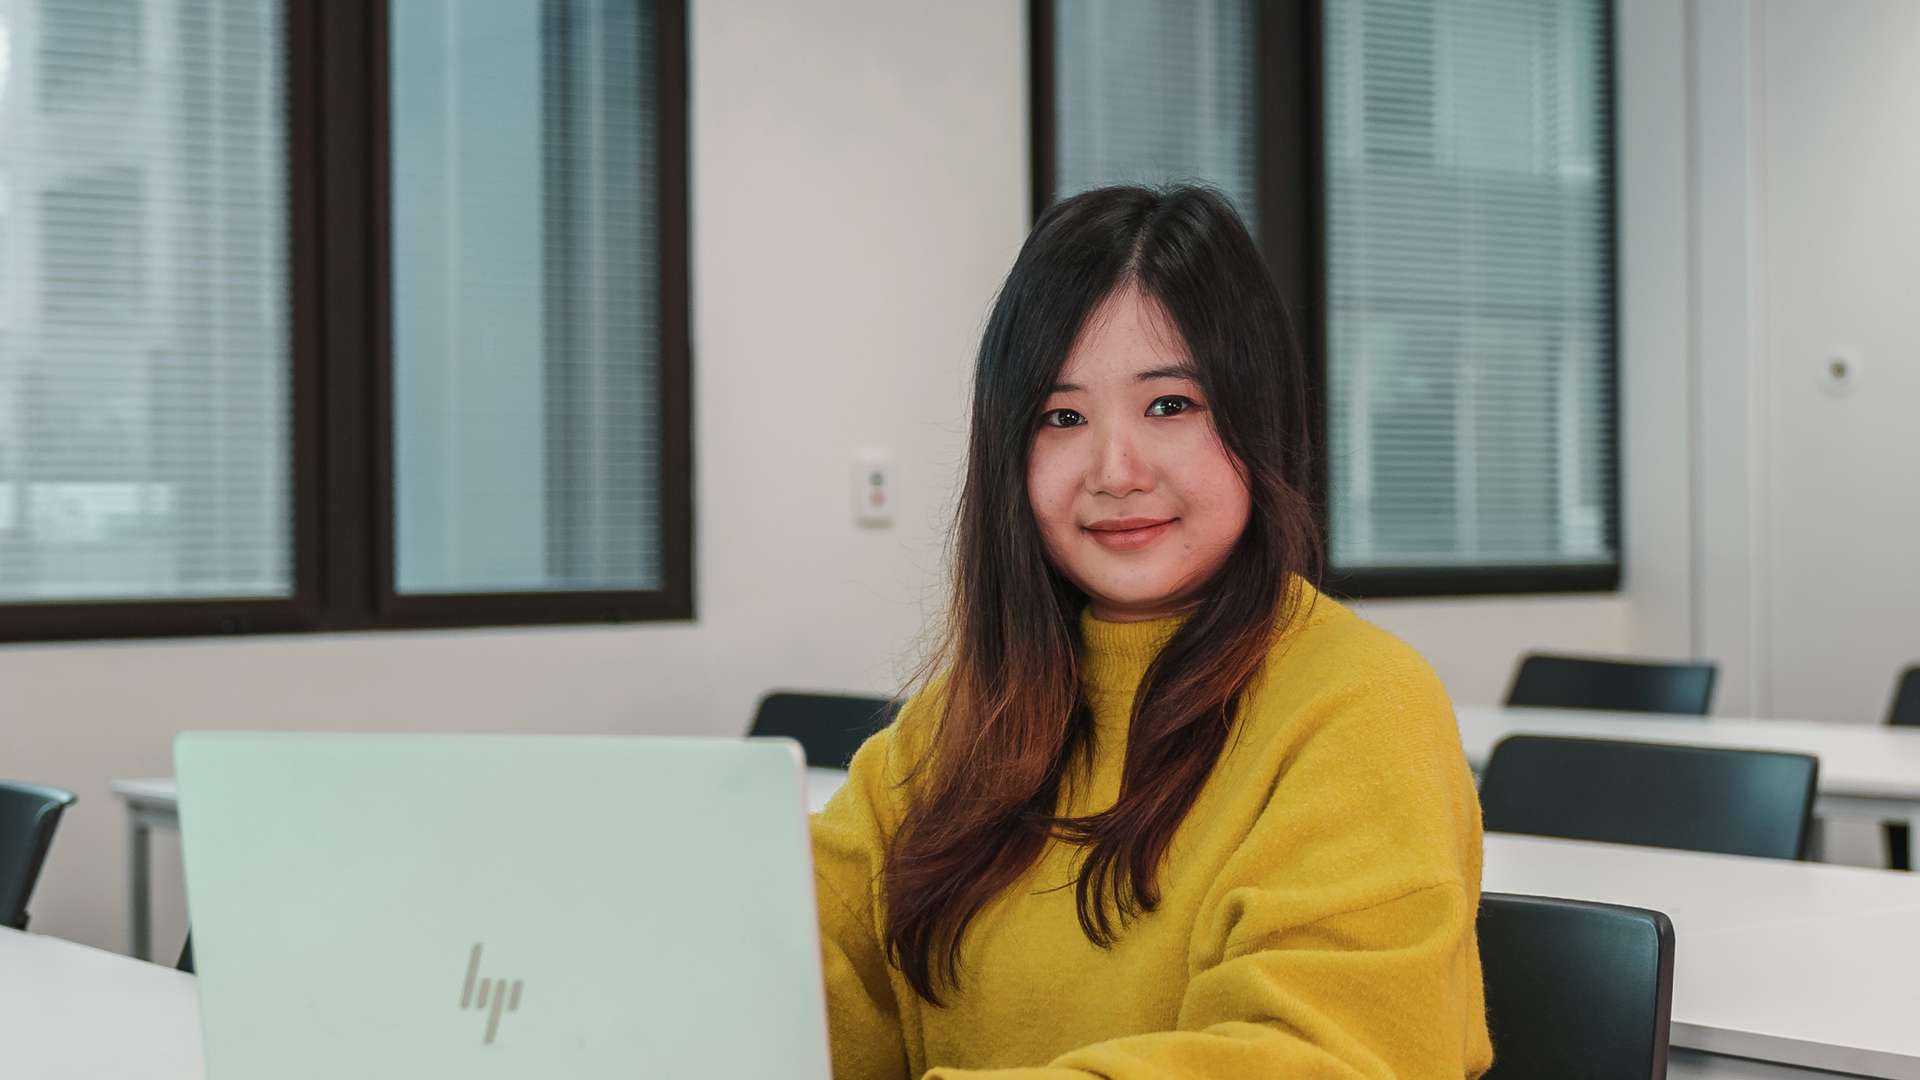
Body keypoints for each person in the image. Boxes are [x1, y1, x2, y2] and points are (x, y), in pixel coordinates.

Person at [811, 184, 1492, 1078]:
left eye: (1169, 405)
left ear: (1257, 415)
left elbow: (1314, 1055)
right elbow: (791, 979)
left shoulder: (1361, 706)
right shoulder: (956, 724)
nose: (1115, 470)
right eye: (1062, 418)